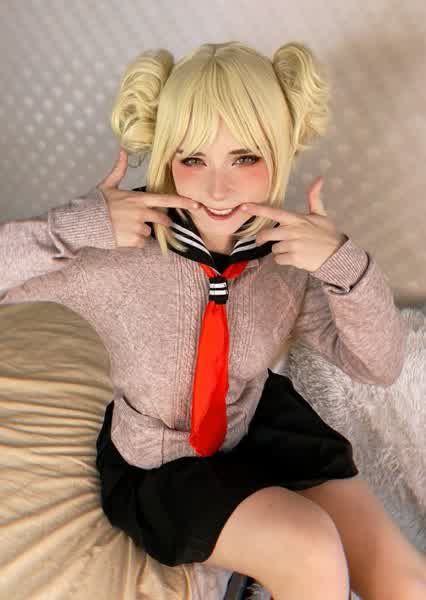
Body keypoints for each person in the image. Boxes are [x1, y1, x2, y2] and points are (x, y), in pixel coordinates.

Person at [1, 41, 424, 600]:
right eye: (193, 159)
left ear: (279, 151)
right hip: (162, 462)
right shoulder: (110, 252)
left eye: (245, 158)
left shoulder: (287, 254)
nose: (217, 189)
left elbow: (379, 366)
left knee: (409, 584)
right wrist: (72, 229)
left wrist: (344, 265)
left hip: (260, 422)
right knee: (310, 550)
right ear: (166, 155)